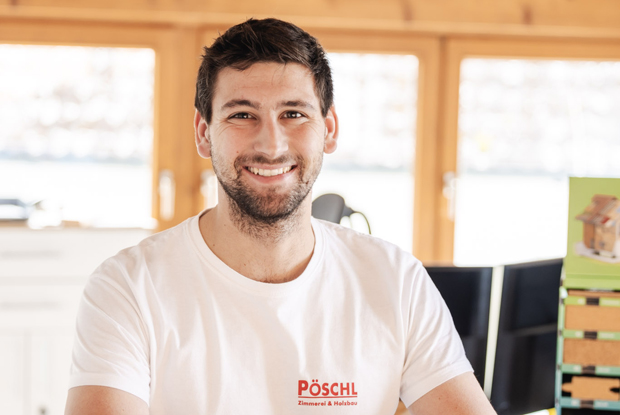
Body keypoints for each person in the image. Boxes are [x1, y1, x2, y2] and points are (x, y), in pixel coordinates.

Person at [65, 18, 496, 415]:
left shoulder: (397, 280)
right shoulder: (128, 288)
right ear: (203, 133)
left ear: (329, 130)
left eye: (294, 114)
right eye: (242, 115)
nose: (271, 145)